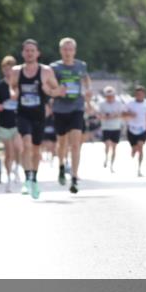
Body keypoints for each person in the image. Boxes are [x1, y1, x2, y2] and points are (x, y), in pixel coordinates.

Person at [10, 39, 64, 199]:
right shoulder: (16, 71)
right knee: (26, 144)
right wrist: (14, 93)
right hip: (23, 113)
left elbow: (57, 90)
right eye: (27, 50)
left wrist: (49, 92)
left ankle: (34, 178)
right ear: (22, 53)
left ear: (37, 53)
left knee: (35, 149)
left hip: (39, 114)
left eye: (32, 50)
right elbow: (12, 87)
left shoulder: (46, 71)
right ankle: (28, 179)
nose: (29, 53)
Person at [50, 37, 92, 194]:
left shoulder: (81, 65)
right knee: (62, 144)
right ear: (61, 51)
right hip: (60, 109)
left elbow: (87, 79)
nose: (68, 52)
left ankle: (74, 177)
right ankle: (61, 165)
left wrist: (88, 89)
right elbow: (48, 84)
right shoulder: (54, 67)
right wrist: (56, 91)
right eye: (65, 49)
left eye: (70, 49)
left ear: (74, 51)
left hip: (77, 107)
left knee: (75, 144)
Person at [0, 55, 23, 191]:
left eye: (11, 68)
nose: (8, 71)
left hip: (19, 122)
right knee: (8, 152)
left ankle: (17, 168)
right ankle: (8, 178)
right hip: (4, 123)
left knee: (18, 148)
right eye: (5, 68)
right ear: (3, 70)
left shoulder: (20, 85)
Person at [123, 85, 146, 177]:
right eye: (137, 94)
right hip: (132, 128)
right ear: (135, 95)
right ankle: (133, 150)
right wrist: (130, 114)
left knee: (141, 147)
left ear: (144, 94)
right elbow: (123, 113)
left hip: (142, 128)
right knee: (135, 148)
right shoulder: (130, 103)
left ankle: (139, 168)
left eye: (141, 94)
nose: (139, 95)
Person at [98, 86, 124, 172]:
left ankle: (112, 165)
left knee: (114, 147)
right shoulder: (102, 104)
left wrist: (112, 115)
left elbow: (121, 114)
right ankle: (106, 158)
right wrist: (107, 116)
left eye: (111, 95)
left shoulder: (118, 103)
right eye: (108, 96)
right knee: (107, 144)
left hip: (116, 127)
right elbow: (99, 115)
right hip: (106, 127)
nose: (109, 97)